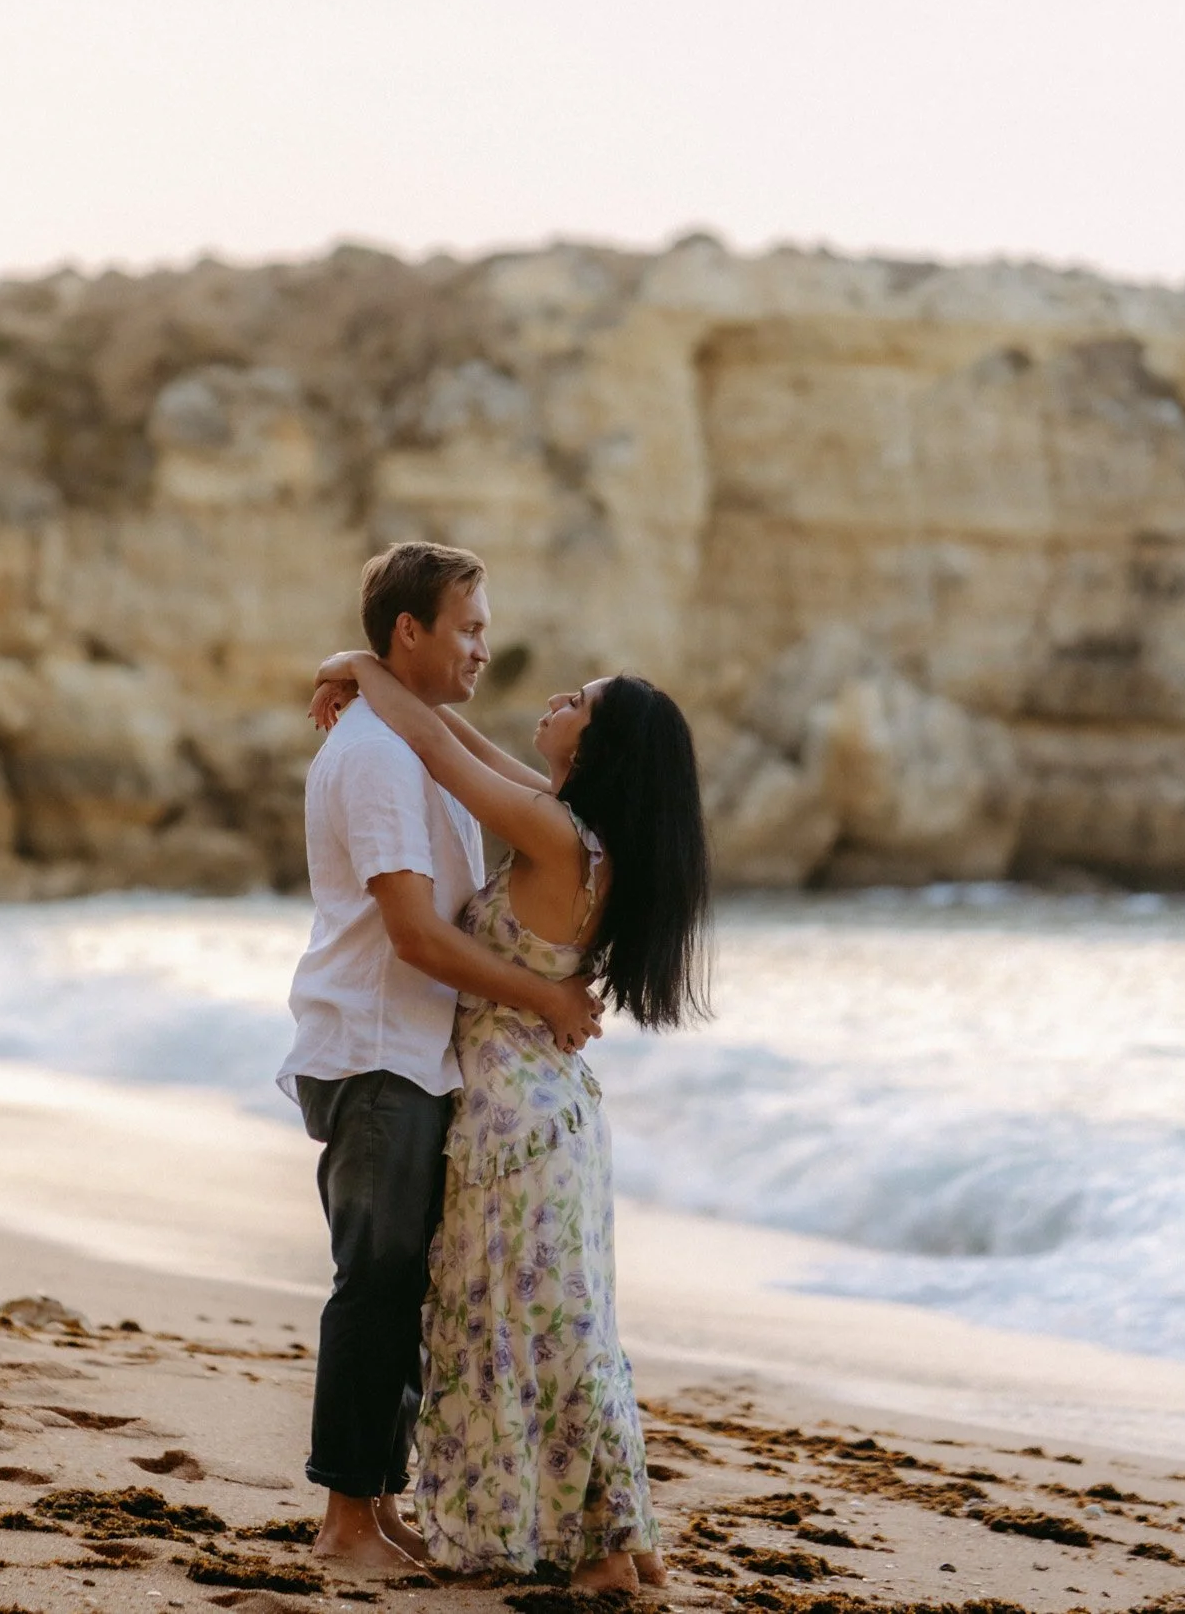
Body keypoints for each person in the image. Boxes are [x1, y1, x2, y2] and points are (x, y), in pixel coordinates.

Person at [307, 645, 712, 1592]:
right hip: (551, 1112)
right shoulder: (576, 829)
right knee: (567, 1323)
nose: (556, 698)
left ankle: (608, 1548)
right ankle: (622, 1535)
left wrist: (367, 670)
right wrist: (364, 665)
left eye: (579, 700)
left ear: (596, 743)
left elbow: (437, 749)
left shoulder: (557, 833)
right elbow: (465, 739)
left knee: (535, 1325)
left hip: (514, 1118)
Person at [279, 542, 607, 1570]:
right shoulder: (376, 756)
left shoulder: (405, 741)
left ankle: (374, 1508)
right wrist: (545, 994)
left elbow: (455, 742)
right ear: (409, 631)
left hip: (414, 1054)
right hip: (377, 1051)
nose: (484, 647)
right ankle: (343, 1519)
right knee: (372, 1281)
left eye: (486, 626)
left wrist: (358, 661)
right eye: (466, 627)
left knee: (396, 1282)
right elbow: (416, 934)